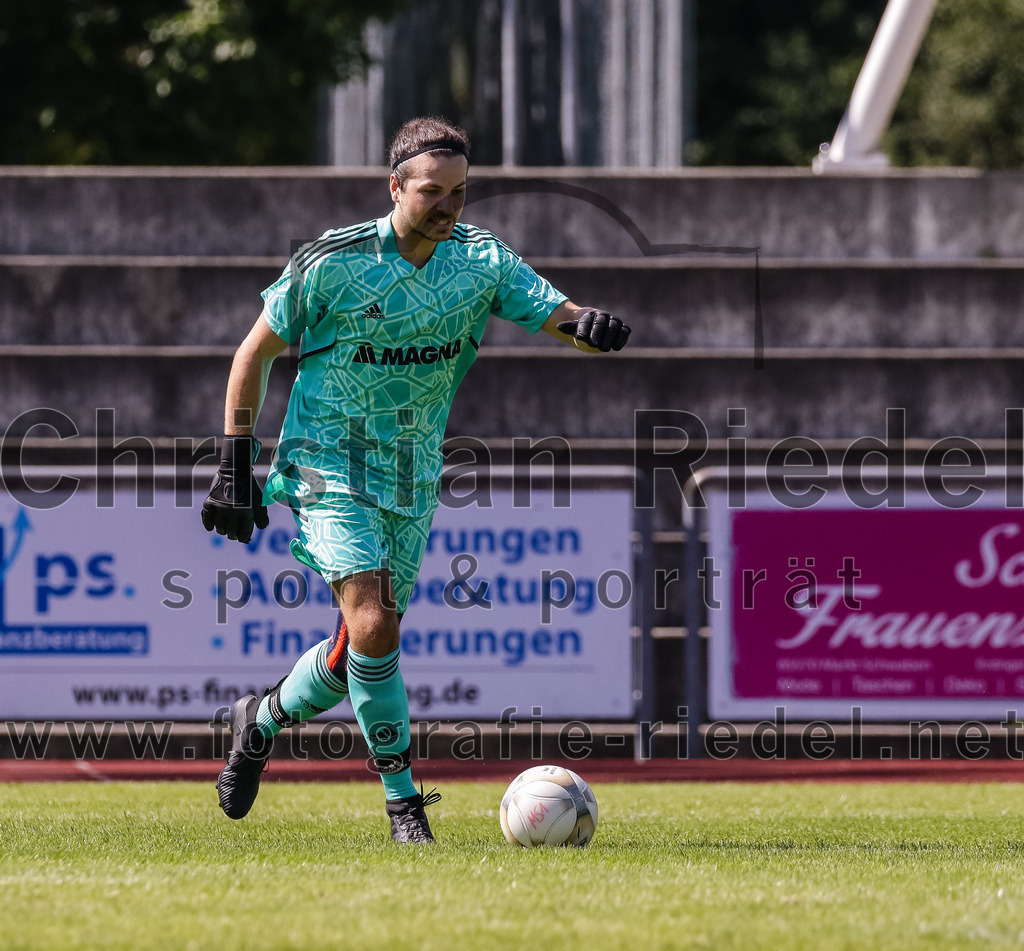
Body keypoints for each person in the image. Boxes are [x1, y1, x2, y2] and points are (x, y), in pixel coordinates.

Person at [201, 116, 631, 844]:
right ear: (394, 186)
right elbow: (255, 351)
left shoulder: (482, 259)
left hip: (412, 470)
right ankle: (403, 804)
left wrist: (585, 322)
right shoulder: (333, 261)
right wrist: (235, 460)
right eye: (432, 191)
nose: (447, 206)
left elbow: (549, 311)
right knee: (372, 621)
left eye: (459, 193)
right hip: (325, 458)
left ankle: (261, 718)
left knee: (361, 647)